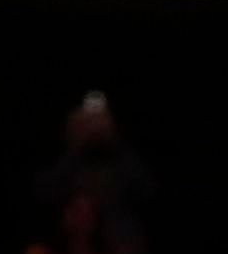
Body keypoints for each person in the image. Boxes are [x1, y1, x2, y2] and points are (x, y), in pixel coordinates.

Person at [31, 91, 154, 254]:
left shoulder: (123, 161)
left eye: (100, 121)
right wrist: (76, 149)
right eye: (88, 122)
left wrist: (116, 146)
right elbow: (42, 193)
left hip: (122, 243)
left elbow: (148, 192)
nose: (94, 128)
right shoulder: (69, 161)